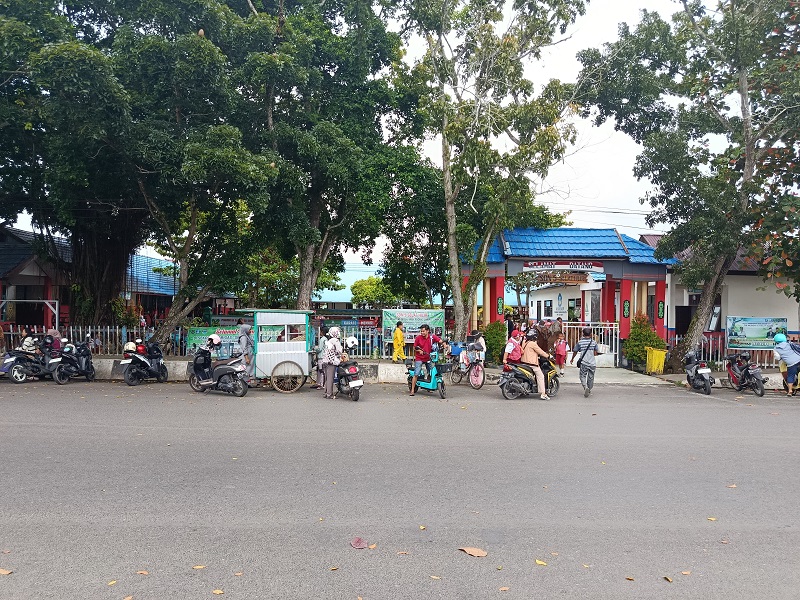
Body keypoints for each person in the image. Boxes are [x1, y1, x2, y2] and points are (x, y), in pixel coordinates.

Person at [410, 324, 442, 396]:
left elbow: (440, 340)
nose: (422, 333)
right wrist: (419, 351)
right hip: (419, 358)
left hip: (428, 357)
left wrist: (444, 344)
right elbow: (414, 347)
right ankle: (412, 390)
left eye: (423, 331)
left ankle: (428, 387)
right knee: (416, 373)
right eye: (421, 331)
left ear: (428, 331)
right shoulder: (418, 338)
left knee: (431, 372)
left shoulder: (432, 337)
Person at [520, 329, 551, 400]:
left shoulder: (524, 342)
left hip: (523, 362)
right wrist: (548, 356)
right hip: (532, 364)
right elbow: (540, 351)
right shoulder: (532, 344)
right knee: (541, 376)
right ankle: (543, 394)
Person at [570, 327, 599, 397]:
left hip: (584, 363)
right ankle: (589, 389)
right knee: (591, 377)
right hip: (592, 363)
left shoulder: (580, 342)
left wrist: (572, 359)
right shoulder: (594, 342)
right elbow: (595, 353)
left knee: (582, 376)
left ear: (583, 334)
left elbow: (575, 351)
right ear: (591, 334)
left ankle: (585, 387)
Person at [322, 326, 343, 399]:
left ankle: (325, 393)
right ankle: (329, 394)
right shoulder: (335, 340)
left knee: (327, 378)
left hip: (325, 361)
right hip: (331, 362)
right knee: (330, 378)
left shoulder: (329, 341)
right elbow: (339, 351)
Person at [237, 322, 256, 386]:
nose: (250, 331)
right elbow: (244, 348)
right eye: (249, 329)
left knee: (249, 369)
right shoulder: (243, 338)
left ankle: (247, 383)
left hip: (250, 355)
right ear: (245, 330)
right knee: (246, 370)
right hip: (246, 356)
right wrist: (246, 358)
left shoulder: (247, 336)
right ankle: (244, 383)